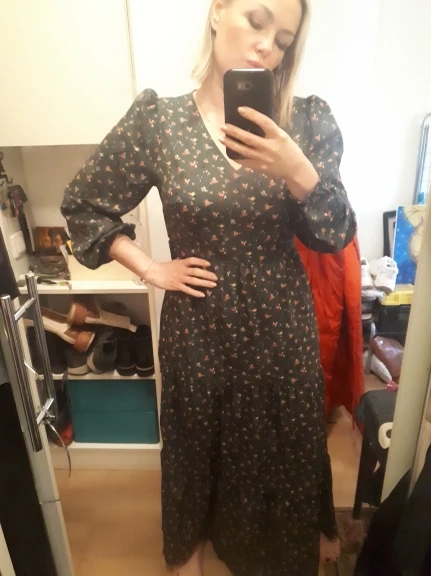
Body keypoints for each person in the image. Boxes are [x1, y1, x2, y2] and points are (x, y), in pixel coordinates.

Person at [61, 0, 357, 574]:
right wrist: (150, 268)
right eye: (257, 20)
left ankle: (284, 549)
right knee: (197, 444)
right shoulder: (159, 122)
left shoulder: (305, 121)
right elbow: (84, 205)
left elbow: (334, 234)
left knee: (286, 443)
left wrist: (296, 169)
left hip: (281, 325)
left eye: (284, 39)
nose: (268, 45)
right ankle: (191, 555)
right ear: (218, 11)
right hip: (199, 324)